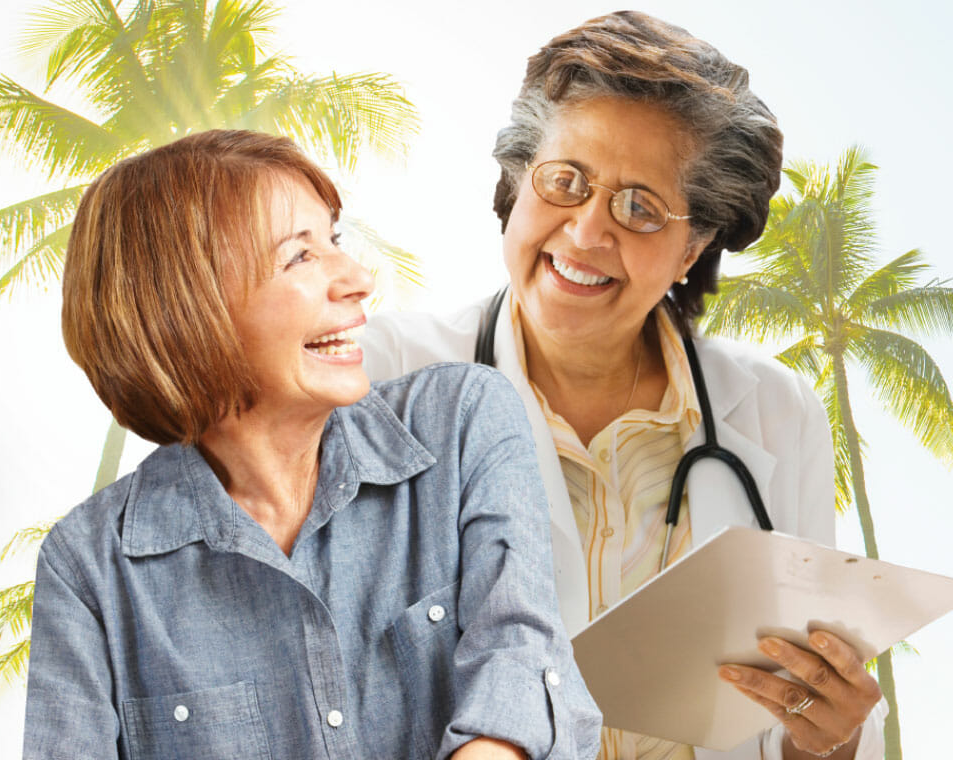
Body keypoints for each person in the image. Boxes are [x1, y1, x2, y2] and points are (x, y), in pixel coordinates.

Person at [361, 11, 885, 760]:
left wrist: (831, 736)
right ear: (517, 182)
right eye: (565, 181)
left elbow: (789, 718)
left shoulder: (775, 411)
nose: (586, 232)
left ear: (693, 245)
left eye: (640, 206)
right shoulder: (386, 377)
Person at [22, 130, 602, 759]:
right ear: (187, 311)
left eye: (336, 241)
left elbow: (520, 651)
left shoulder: (463, 420)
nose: (358, 280)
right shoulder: (88, 568)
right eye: (299, 257)